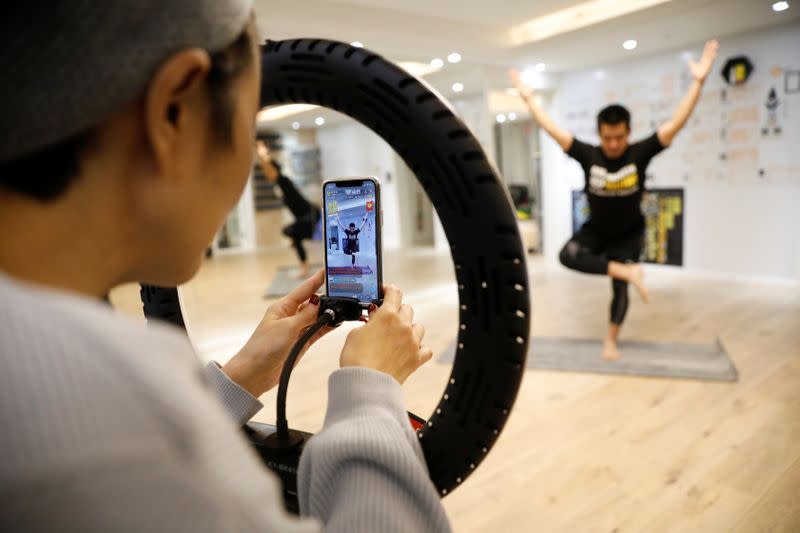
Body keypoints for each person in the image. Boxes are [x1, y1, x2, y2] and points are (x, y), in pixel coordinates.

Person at [0, 3, 450, 532]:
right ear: (176, 109)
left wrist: (240, 377)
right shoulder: (106, 400)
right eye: (247, 120)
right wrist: (369, 390)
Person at [510, 40, 719, 360]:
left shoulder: (640, 152)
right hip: (597, 229)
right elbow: (550, 128)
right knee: (567, 255)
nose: (613, 144)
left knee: (618, 290)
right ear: (600, 133)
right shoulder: (587, 154)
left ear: (628, 131)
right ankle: (626, 271)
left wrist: (698, 82)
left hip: (629, 233)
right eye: (607, 137)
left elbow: (676, 122)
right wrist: (529, 100)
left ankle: (611, 339)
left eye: (619, 137)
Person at [256, 140, 320, 278]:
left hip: (311, 215)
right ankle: (304, 267)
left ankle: (304, 268)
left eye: (268, 171)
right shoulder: (280, 184)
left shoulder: (283, 180)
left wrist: (261, 153)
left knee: (291, 233)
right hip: (305, 216)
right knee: (293, 235)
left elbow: (271, 170)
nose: (266, 174)